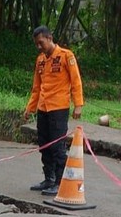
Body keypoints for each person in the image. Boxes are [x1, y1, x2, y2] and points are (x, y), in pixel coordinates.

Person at [24, 26, 84, 196]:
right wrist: (30, 108)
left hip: (59, 108)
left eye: (41, 43)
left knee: (57, 146)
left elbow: (76, 81)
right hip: (43, 107)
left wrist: (78, 105)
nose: (39, 47)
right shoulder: (40, 60)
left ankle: (59, 182)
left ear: (49, 38)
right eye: (36, 44)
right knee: (44, 144)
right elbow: (36, 87)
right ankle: (48, 178)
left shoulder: (66, 56)